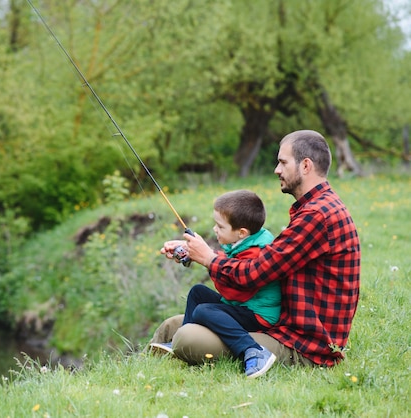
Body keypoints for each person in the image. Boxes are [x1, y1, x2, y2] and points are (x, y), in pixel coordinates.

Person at [152, 129, 360, 371]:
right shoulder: (315, 208)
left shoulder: (317, 216)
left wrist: (208, 258)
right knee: (173, 326)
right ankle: (142, 379)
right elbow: (263, 262)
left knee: (187, 337)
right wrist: (196, 253)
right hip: (282, 326)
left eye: (282, 162)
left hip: (304, 346)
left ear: (305, 166)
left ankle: (254, 355)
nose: (277, 170)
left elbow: (253, 274)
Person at [150, 190, 280, 378]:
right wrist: (191, 253)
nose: (214, 229)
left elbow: (235, 292)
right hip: (243, 306)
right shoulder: (245, 240)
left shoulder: (255, 250)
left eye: (220, 226)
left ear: (241, 232)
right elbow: (227, 262)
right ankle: (179, 340)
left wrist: (207, 260)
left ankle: (252, 350)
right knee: (198, 292)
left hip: (258, 315)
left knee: (204, 310)